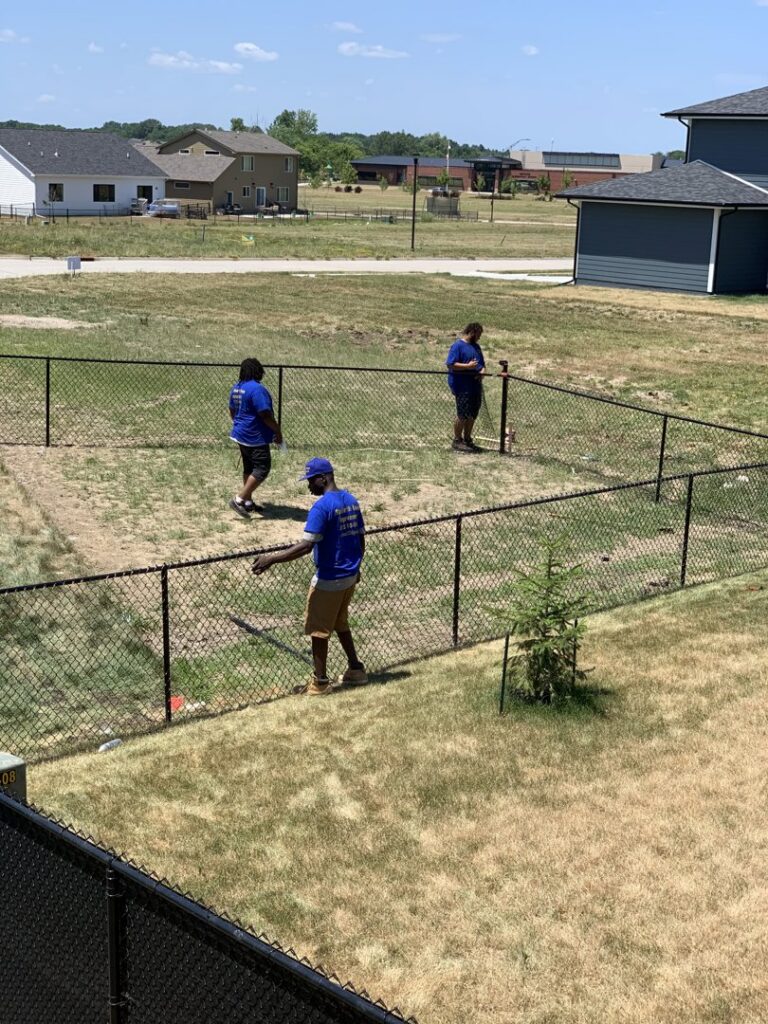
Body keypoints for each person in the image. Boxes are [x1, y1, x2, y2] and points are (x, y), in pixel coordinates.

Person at [251, 457, 367, 696]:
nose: (309, 486)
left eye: (311, 480)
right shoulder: (351, 501)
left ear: (324, 478)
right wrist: (356, 568)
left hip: (330, 578)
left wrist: (271, 559)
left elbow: (306, 546)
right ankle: (356, 669)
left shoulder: (321, 508)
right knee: (340, 622)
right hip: (349, 575)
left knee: (318, 629)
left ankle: (320, 682)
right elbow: (360, 538)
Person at [228, 358, 283, 518]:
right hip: (254, 436)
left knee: (249, 468)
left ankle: (248, 502)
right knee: (262, 468)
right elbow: (265, 413)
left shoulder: (237, 388)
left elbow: (232, 410)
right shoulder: (257, 389)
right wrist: (277, 431)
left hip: (240, 434)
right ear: (258, 371)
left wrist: (239, 424)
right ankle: (239, 499)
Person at [445, 322, 486, 451]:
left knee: (472, 414)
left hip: (475, 386)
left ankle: (468, 440)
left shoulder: (476, 347)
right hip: (462, 386)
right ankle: (457, 440)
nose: (479, 337)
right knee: (462, 414)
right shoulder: (458, 346)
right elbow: (450, 364)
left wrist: (482, 372)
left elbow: (482, 364)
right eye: (478, 334)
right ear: (472, 332)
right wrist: (467, 366)